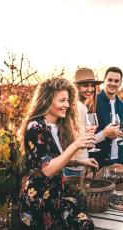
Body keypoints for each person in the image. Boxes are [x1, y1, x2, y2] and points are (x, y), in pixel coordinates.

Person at [18, 77, 99, 229]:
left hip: (57, 193)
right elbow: (48, 168)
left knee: (86, 225)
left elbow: (55, 159)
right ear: (47, 100)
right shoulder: (35, 127)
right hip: (39, 199)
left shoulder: (58, 125)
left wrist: (79, 162)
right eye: (62, 100)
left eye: (68, 100)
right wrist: (75, 145)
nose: (67, 105)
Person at [64, 68, 119, 176]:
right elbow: (82, 141)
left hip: (74, 164)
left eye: (92, 85)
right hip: (75, 167)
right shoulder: (79, 107)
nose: (90, 89)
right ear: (77, 87)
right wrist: (105, 134)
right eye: (85, 85)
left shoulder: (74, 105)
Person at [94, 66, 123, 168]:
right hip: (99, 161)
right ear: (104, 80)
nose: (113, 83)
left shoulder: (122, 105)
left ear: (120, 83)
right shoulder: (94, 102)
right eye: (110, 80)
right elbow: (88, 132)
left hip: (119, 160)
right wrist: (105, 134)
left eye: (116, 81)